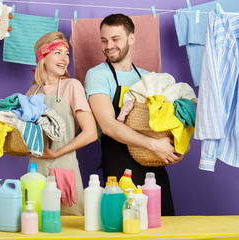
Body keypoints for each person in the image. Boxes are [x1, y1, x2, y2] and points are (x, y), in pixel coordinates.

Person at [84, 14, 181, 216]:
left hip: (154, 165)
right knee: (128, 223)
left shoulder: (148, 78)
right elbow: (108, 125)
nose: (108, 45)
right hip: (119, 165)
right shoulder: (98, 75)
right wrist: (155, 145)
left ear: (131, 38)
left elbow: (163, 121)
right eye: (104, 40)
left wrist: (173, 146)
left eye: (115, 39)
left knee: (163, 223)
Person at [26, 32, 98, 216]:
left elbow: (90, 133)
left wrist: (56, 153)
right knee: (36, 222)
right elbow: (22, 134)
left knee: (68, 227)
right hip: (35, 172)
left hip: (64, 167)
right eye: (57, 52)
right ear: (42, 56)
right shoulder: (32, 92)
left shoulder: (71, 86)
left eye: (66, 54)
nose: (65, 59)